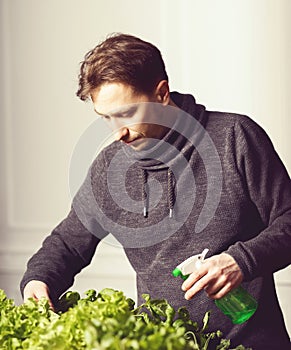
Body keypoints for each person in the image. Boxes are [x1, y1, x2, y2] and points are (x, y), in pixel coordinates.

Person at [20, 33, 291, 349]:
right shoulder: (109, 168)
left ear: (162, 93)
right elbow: (67, 243)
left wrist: (241, 261)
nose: (117, 132)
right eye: (105, 118)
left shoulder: (235, 137)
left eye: (126, 114)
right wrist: (38, 280)